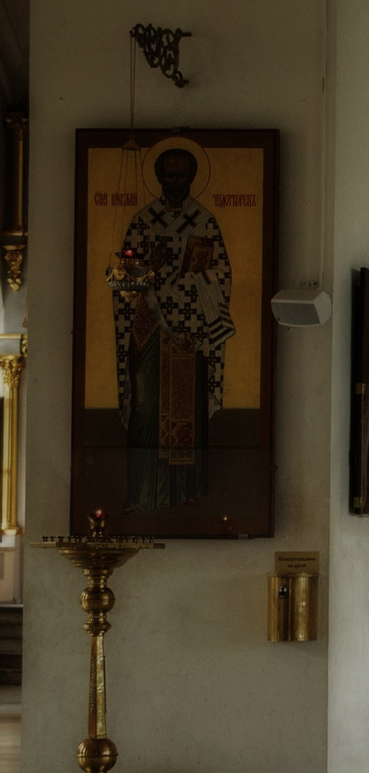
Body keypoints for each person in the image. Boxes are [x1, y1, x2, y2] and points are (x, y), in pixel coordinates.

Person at [114, 143, 235, 511]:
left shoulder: (205, 221)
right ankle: (147, 495)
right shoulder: (142, 221)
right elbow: (121, 281)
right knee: (148, 407)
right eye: (169, 175)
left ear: (192, 178)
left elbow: (224, 278)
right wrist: (149, 265)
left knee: (187, 417)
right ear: (159, 178)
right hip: (150, 333)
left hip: (189, 335)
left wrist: (199, 276)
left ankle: (184, 500)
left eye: (182, 176)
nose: (175, 182)